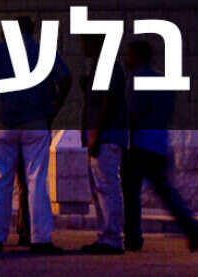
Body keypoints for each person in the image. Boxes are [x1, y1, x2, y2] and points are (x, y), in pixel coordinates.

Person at [0, 15, 71, 254]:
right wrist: (54, 107)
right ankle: (40, 238)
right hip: (36, 121)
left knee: (1, 180)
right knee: (36, 180)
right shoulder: (42, 50)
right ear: (32, 31)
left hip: (4, 121)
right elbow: (66, 78)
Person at [122, 39, 198, 253]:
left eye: (129, 54)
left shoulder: (135, 80)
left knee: (130, 193)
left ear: (138, 57)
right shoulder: (163, 82)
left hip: (139, 144)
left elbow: (132, 114)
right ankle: (191, 227)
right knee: (165, 191)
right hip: (159, 143)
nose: (126, 59)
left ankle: (132, 237)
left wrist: (125, 142)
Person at [78, 33, 129, 254]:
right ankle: (106, 235)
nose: (82, 46)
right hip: (102, 136)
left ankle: (113, 238)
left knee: (107, 187)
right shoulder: (99, 67)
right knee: (100, 188)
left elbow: (108, 102)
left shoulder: (106, 66)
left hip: (106, 137)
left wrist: (97, 134)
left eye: (85, 41)